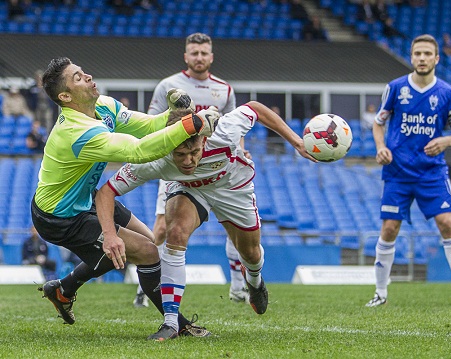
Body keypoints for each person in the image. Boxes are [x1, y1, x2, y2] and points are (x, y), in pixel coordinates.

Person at [96, 100, 318, 340]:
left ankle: (254, 281)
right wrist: (109, 234)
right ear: (168, 146)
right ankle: (171, 322)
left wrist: (296, 141)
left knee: (251, 254)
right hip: (190, 190)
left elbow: (256, 107)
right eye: (180, 155)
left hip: (233, 187)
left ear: (204, 139)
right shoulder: (155, 157)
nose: (189, 161)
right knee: (176, 232)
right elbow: (107, 191)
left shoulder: (224, 130)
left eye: (194, 152)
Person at [32, 57, 219, 340]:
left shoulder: (103, 106)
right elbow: (139, 151)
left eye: (84, 72)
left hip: (85, 199)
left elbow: (148, 127)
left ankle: (62, 289)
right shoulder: (77, 133)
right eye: (78, 78)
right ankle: (177, 324)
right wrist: (191, 125)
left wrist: (175, 115)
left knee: (140, 243)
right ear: (65, 96)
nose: (89, 76)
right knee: (145, 252)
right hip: (59, 216)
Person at [366, 34, 451, 307]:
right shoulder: (395, 88)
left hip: (432, 172)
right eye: (418, 54)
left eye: (428, 54)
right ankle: (380, 293)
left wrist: (446, 140)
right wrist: (380, 147)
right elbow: (378, 123)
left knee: (448, 224)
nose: (422, 58)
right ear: (412, 56)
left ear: (437, 58)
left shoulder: (446, 93)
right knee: (389, 228)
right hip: (398, 172)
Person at [140, 32, 249, 308]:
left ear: (211, 57)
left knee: (234, 227)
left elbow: (234, 127)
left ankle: (238, 286)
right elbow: (152, 123)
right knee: (163, 228)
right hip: (180, 167)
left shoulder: (224, 90)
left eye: (204, 53)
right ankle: (148, 284)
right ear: (186, 56)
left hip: (216, 168)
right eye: (194, 53)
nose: (199, 58)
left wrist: (241, 149)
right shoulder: (169, 86)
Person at [26, 69, 56, 133]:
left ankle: (47, 134)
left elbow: (52, 96)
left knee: (48, 121)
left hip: (47, 107)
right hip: (37, 108)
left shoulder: (48, 86)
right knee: (37, 122)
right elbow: (29, 98)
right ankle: (39, 134)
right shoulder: (33, 87)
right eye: (37, 77)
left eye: (40, 77)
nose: (39, 79)